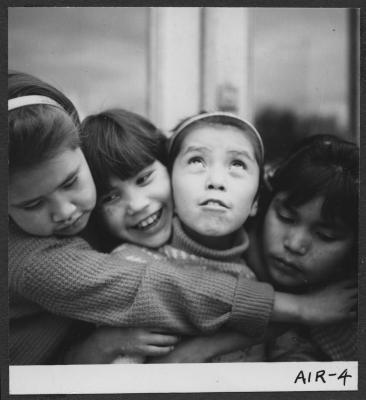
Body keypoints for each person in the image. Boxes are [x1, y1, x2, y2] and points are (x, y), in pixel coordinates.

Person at [9, 71, 279, 365]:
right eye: (110, 197)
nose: (65, 211)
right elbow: (158, 287)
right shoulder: (39, 256)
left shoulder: (240, 239)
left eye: (145, 178)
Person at [81, 109, 356, 363]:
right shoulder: (133, 262)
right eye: (197, 161)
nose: (215, 180)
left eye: (237, 164)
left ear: (257, 200)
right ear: (172, 181)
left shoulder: (253, 275)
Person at [248, 134, 358, 361]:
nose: (295, 244)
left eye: (326, 236)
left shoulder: (348, 318)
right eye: (286, 217)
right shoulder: (220, 253)